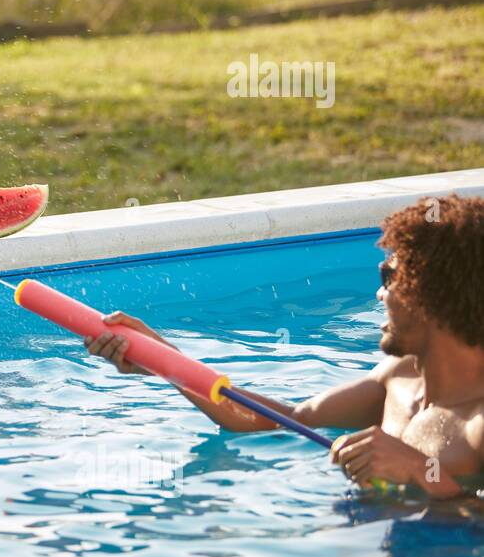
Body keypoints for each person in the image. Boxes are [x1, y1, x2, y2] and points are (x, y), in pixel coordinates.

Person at [85, 195, 484, 498]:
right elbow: (281, 418)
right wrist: (165, 360)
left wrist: (420, 473)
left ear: (430, 295)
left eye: (388, 276)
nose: (379, 294)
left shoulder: (478, 423)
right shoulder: (396, 381)